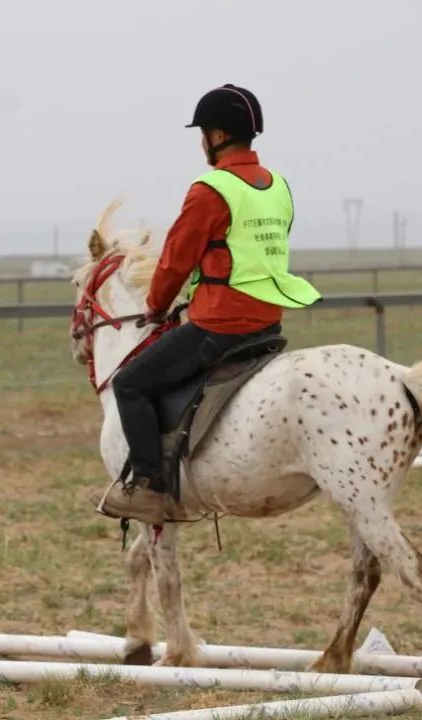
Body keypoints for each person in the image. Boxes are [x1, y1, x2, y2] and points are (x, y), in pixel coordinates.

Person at [96, 84, 321, 525]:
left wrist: (157, 306)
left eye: (203, 134)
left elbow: (176, 261)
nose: (201, 142)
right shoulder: (278, 188)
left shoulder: (210, 190)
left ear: (217, 136)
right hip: (268, 323)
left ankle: (149, 489)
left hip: (220, 326)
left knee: (130, 384)